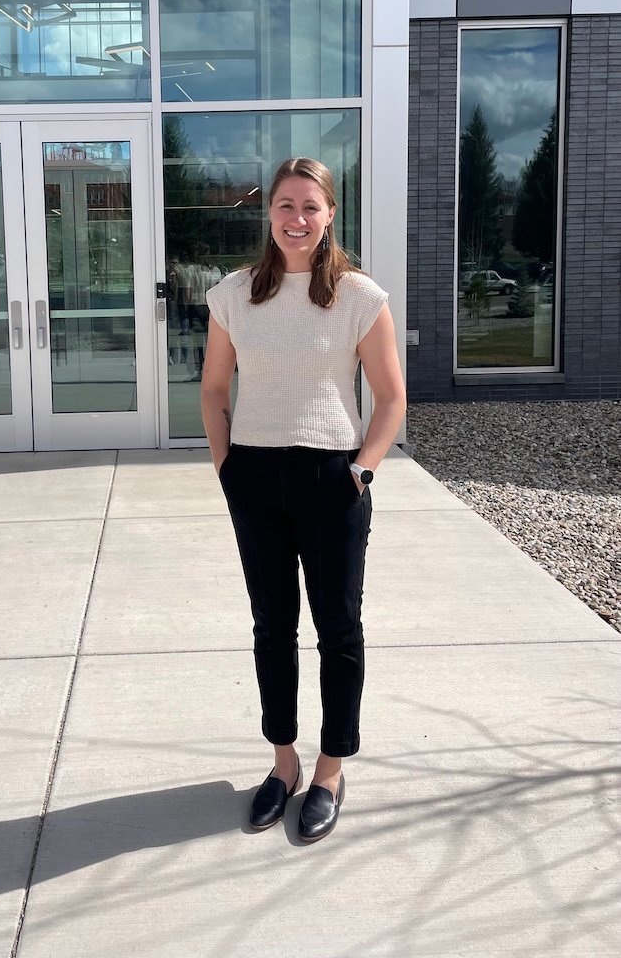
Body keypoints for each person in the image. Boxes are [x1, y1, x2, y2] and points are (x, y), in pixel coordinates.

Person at [201, 157, 406, 842]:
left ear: (330, 215)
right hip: (255, 479)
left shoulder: (358, 296)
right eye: (285, 206)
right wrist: (228, 465)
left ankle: (329, 770)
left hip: (332, 480)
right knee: (271, 627)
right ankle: (282, 762)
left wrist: (364, 470)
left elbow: (391, 397)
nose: (296, 219)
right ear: (270, 213)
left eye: (309, 207)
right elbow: (212, 388)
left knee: (338, 632)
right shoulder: (234, 294)